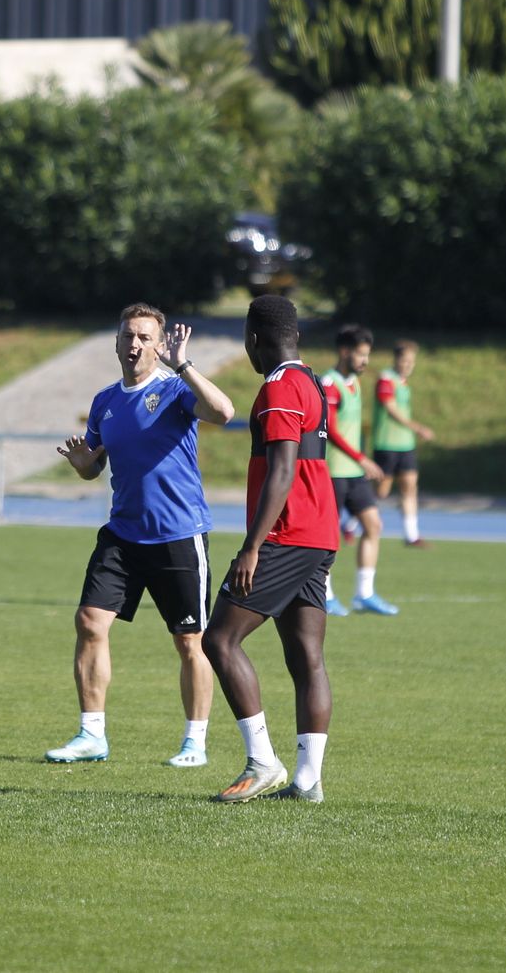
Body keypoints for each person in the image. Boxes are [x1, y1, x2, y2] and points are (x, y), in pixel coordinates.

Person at [46, 303, 237, 767]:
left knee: (191, 641)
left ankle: (195, 742)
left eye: (144, 338)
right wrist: (84, 465)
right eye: (127, 336)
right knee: (90, 622)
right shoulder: (105, 401)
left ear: (158, 345)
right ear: (115, 342)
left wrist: (185, 365)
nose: (134, 345)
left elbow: (224, 411)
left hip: (178, 535)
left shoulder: (174, 390)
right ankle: (92, 734)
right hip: (123, 535)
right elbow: (95, 467)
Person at [202, 294, 338, 804]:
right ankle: (308, 781)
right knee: (307, 658)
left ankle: (263, 763)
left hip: (287, 534)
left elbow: (283, 469)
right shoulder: (314, 383)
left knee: (219, 640)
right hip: (320, 534)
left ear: (253, 340)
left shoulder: (279, 387)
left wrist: (251, 547)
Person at [320, 325, 397, 616]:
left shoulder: (355, 382)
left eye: (367, 355)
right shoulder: (329, 383)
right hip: (333, 472)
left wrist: (360, 461)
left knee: (373, 525)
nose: (365, 360)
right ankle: (324, 595)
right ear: (344, 351)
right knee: (328, 537)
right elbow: (332, 429)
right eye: (361, 354)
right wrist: (362, 458)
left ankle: (365, 594)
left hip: (353, 473)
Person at [373, 340, 436, 548]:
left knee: (410, 487)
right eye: (405, 361)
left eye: (412, 362)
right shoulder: (385, 380)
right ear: (396, 360)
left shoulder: (403, 383)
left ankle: (412, 535)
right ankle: (352, 520)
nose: (408, 365)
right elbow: (391, 408)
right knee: (382, 491)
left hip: (405, 444)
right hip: (387, 443)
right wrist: (417, 427)